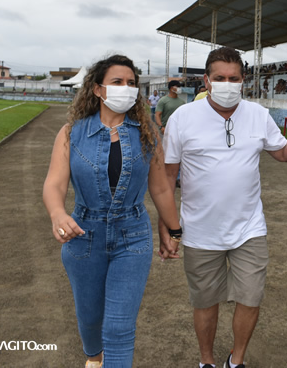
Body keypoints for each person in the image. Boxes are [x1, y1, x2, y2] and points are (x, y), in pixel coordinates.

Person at [160, 46, 287, 368]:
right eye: (219, 78)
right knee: (205, 302)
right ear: (206, 81)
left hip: (249, 229)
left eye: (233, 78)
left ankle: (236, 361)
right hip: (199, 230)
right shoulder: (183, 117)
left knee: (250, 298)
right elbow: (167, 178)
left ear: (243, 81)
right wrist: (166, 227)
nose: (227, 84)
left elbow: (282, 153)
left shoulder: (258, 114)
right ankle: (206, 361)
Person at [42, 55, 182, 368]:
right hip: (83, 237)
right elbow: (54, 183)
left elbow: (160, 188)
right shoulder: (70, 133)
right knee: (90, 319)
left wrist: (174, 230)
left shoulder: (148, 134)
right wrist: (57, 214)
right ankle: (93, 359)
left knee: (119, 327)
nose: (126, 88)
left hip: (132, 238)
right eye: (117, 82)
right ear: (97, 89)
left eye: (132, 83)